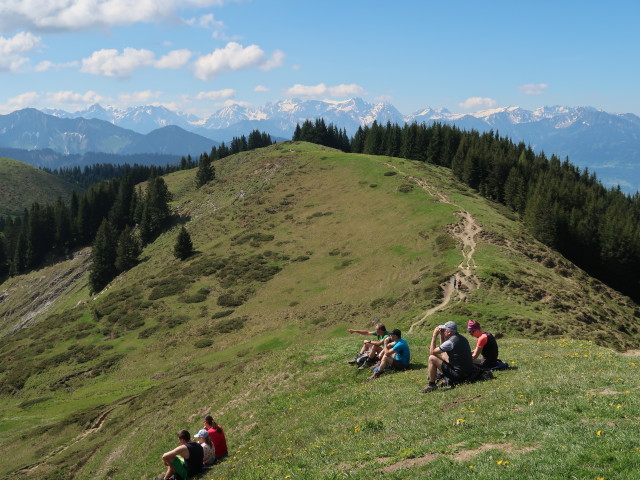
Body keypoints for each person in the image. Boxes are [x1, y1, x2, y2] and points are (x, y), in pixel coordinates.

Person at [421, 321, 474, 393]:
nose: (442, 331)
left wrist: (434, 336)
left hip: (458, 376)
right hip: (467, 374)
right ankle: (440, 377)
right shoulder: (461, 338)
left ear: (449, 332)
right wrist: (442, 336)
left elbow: (432, 352)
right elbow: (443, 352)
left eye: (444, 330)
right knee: (444, 357)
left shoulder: (450, 342)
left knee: (432, 358)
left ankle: (431, 384)